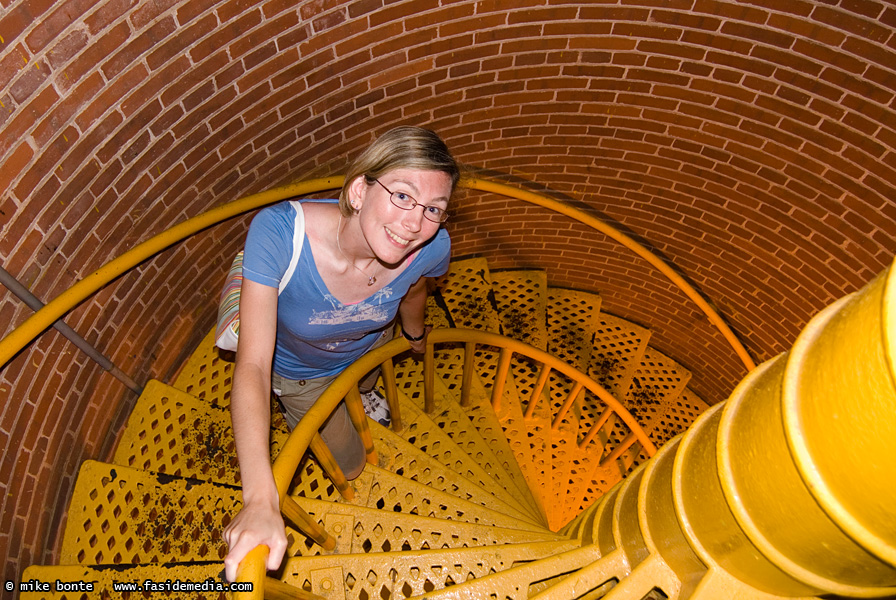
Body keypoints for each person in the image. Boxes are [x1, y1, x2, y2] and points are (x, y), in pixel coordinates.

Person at [222, 126, 459, 581]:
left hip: (367, 344)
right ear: (358, 189)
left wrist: (413, 334)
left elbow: (414, 292)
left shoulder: (430, 247)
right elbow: (252, 364)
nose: (416, 224)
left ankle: (365, 395)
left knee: (367, 381)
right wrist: (259, 500)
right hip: (302, 376)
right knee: (349, 461)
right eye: (404, 196)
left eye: (434, 209)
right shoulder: (279, 235)